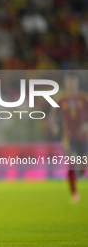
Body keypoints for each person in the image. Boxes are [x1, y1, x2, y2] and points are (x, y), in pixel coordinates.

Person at [49, 75, 88, 203]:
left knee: (83, 162)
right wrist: (54, 125)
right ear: (66, 85)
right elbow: (52, 115)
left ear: (77, 84)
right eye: (69, 83)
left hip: (83, 136)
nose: (71, 86)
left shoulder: (84, 98)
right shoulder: (61, 99)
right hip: (68, 136)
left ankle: (82, 172)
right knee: (72, 160)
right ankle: (74, 193)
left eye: (73, 83)